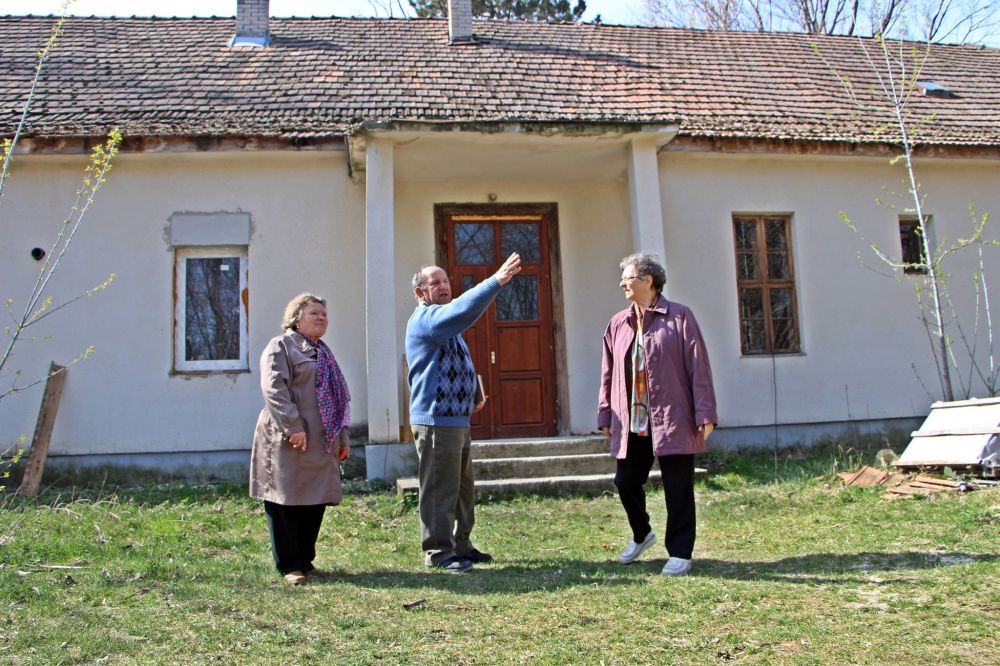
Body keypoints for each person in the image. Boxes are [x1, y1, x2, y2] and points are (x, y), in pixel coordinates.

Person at [597, 253, 717, 576]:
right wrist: (605, 415)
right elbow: (607, 375)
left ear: (647, 281)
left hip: (673, 417)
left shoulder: (680, 317)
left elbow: (699, 368)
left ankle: (680, 552)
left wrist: (705, 412)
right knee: (624, 481)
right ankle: (642, 534)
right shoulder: (617, 325)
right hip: (632, 420)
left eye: (628, 276)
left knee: (678, 486)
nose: (622, 282)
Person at [406, 253, 522, 573]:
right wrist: (495, 281)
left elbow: (456, 363)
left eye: (445, 281)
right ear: (420, 292)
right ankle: (438, 552)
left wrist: (473, 394)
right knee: (439, 490)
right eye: (435, 283)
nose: (443, 286)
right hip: (435, 421)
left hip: (457, 419)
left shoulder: (446, 325)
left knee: (462, 489)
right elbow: (464, 310)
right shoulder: (427, 319)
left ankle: (461, 545)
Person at [250, 293, 351, 585]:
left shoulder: (324, 352)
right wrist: (292, 426)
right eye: (313, 313)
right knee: (285, 498)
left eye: (324, 314)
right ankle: (289, 564)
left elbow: (339, 400)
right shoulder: (281, 346)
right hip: (287, 436)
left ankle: (306, 559)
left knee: (315, 497)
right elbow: (274, 389)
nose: (321, 318)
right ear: (296, 318)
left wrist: (343, 437)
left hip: (322, 438)